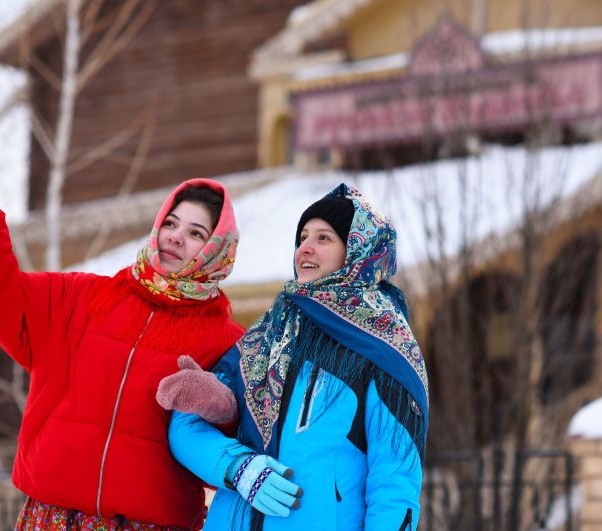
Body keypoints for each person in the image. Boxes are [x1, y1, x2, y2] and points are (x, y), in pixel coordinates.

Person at [0, 118, 244, 530]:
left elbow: (243, 446)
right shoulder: (80, 297)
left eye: (196, 233)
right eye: (170, 223)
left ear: (218, 249)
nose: (174, 237)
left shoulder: (230, 342)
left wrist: (222, 407)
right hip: (51, 518)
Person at [157, 184, 429, 530]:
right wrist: (238, 467)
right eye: (302, 237)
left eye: (324, 238)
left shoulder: (387, 349)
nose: (305, 248)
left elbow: (394, 486)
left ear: (357, 251)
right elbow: (185, 425)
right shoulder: (265, 336)